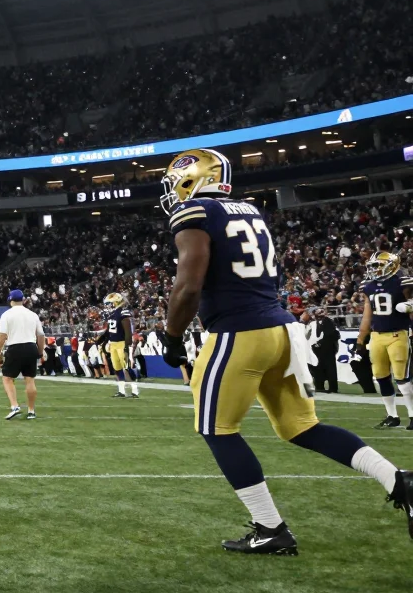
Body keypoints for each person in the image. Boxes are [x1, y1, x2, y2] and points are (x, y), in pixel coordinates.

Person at [156, 148, 411, 553]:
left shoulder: (195, 213)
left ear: (192, 178)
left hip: (238, 332)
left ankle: (270, 528)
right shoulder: (250, 211)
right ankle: (398, 479)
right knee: (301, 427)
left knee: (217, 430)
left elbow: (189, 284)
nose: (171, 192)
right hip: (280, 329)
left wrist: (171, 335)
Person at [356, 251, 413, 429]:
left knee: (402, 378)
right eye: (373, 267)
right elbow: (367, 314)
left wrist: (411, 304)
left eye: (378, 266)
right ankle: (392, 416)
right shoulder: (368, 286)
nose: (375, 270)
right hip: (376, 336)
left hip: (398, 334)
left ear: (392, 265)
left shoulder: (402, 282)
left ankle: (412, 415)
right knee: (381, 376)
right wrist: (360, 340)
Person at [0, 289, 41, 420]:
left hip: (15, 347)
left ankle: (15, 406)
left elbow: (2, 336)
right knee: (30, 379)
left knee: (7, 378)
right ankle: (31, 411)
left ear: (10, 300)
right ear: (23, 300)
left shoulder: (6, 315)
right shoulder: (33, 314)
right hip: (31, 346)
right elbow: (41, 335)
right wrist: (40, 351)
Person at [99, 293, 140, 398]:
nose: (108, 306)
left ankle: (135, 390)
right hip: (113, 344)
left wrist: (127, 346)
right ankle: (121, 391)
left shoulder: (123, 313)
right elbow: (109, 331)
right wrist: (102, 341)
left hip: (122, 344)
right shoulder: (112, 315)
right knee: (117, 369)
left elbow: (128, 332)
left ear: (116, 302)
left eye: (109, 303)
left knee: (126, 367)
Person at [305, 307, 340, 395]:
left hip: (327, 349)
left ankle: (332, 388)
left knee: (330, 368)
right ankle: (320, 386)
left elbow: (331, 334)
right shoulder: (313, 323)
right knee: (318, 368)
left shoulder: (328, 321)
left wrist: (320, 343)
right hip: (317, 349)